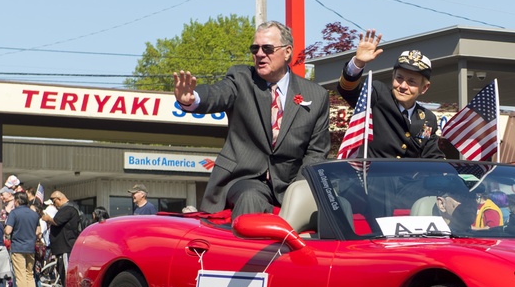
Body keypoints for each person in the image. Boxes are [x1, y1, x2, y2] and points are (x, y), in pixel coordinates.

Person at [173, 20, 331, 217]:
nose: (259, 54)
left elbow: (316, 152)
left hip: (290, 184)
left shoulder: (315, 95)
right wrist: (193, 99)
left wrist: (298, 192)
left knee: (338, 206)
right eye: (254, 48)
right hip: (242, 179)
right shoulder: (241, 78)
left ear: (287, 52)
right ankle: (245, 249)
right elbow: (218, 93)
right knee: (251, 199)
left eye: (267, 48)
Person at [337, 30, 443, 159]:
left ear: (424, 88)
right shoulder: (378, 94)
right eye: (399, 78)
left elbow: (432, 156)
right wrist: (358, 63)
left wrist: (448, 175)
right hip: (372, 177)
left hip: (410, 179)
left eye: (411, 82)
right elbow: (348, 90)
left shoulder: (428, 118)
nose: (403, 86)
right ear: (392, 77)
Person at [3, 191, 41, 287]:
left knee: (20, 277)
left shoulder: (14, 213)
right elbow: (38, 232)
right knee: (29, 275)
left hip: (18, 247)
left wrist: (5, 228)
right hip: (30, 248)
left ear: (17, 201)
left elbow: (8, 231)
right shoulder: (34, 214)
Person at [42, 190, 81, 287]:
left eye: (54, 202)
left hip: (66, 246)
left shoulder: (69, 208)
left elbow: (57, 222)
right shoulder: (65, 209)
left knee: (67, 272)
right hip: (61, 247)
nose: (54, 205)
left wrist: (47, 219)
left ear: (59, 199)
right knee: (62, 271)